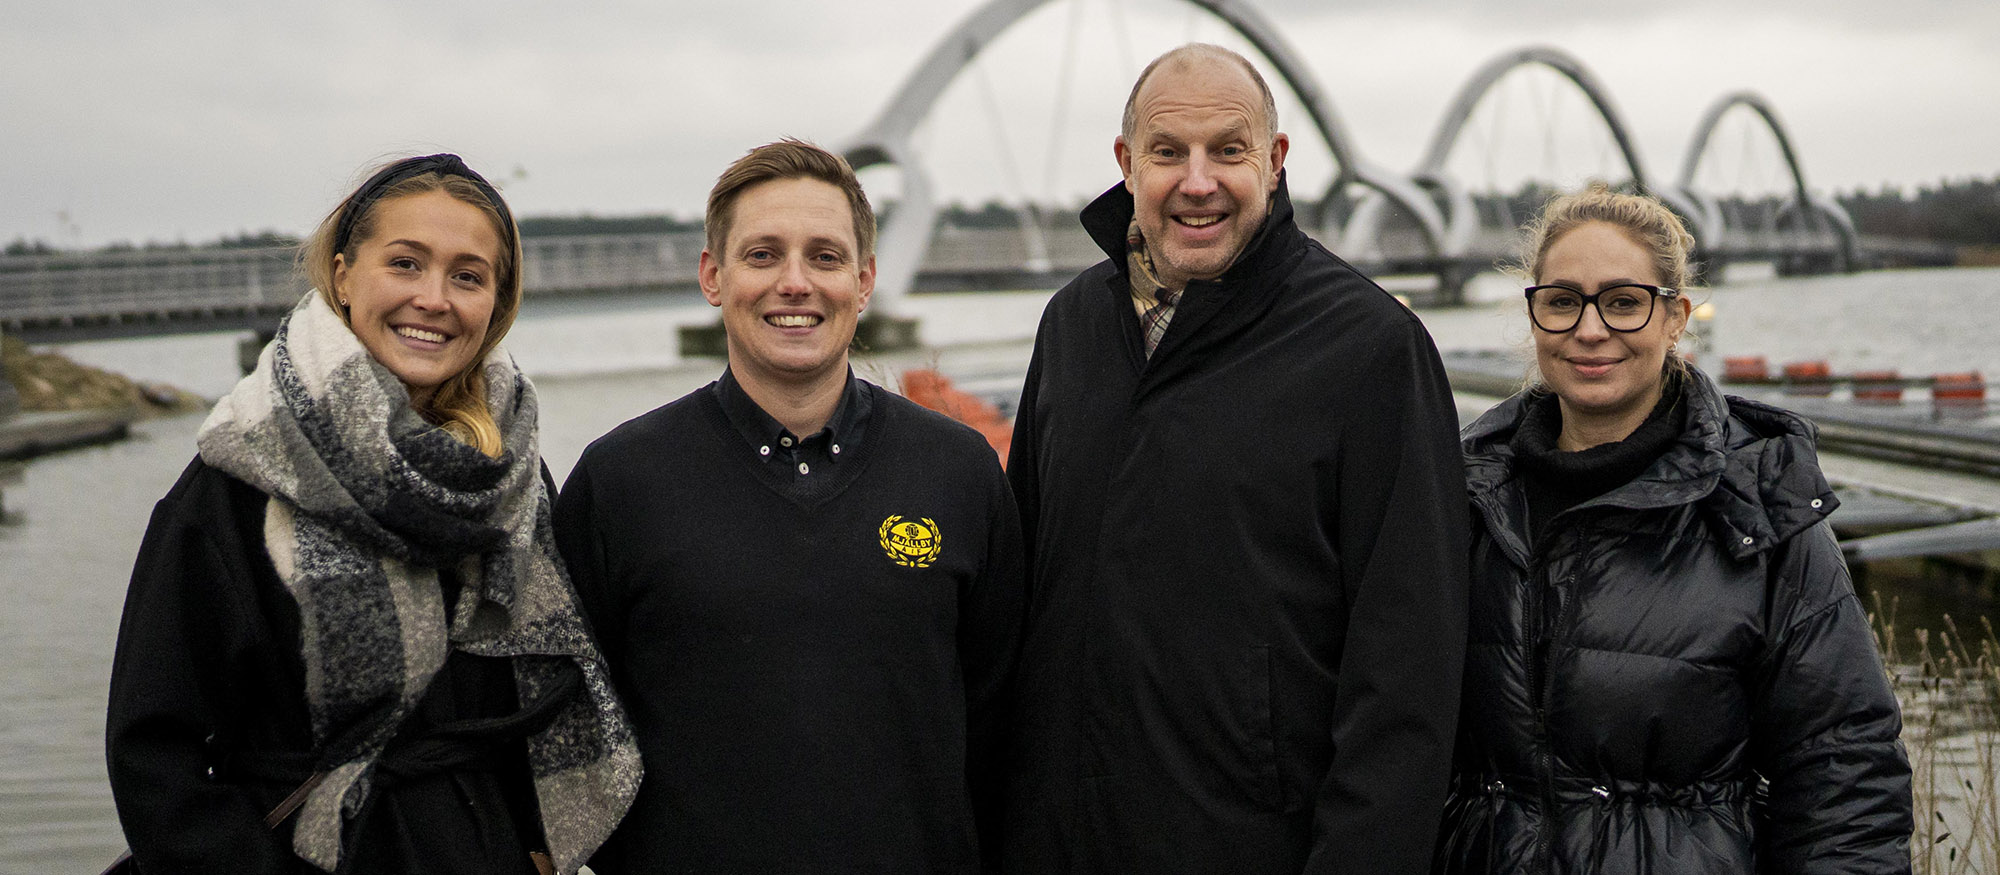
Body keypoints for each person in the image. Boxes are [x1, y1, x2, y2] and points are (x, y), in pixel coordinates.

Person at [105, 154, 641, 875]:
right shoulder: (240, 480)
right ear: (344, 273)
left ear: (496, 302)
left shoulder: (512, 478)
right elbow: (155, 750)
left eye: (467, 275)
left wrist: (536, 847)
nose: (434, 297)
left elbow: (542, 691)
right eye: (406, 263)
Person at [1004, 44, 1470, 874]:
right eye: (1167, 152)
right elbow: (1022, 597)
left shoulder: (1371, 351)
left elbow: (1407, 680)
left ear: (1276, 160)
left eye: (1229, 149)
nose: (1197, 181)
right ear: (1125, 163)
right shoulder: (1072, 325)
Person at [553, 139, 1026, 873]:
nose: (795, 283)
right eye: (764, 254)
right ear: (714, 275)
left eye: (826, 257)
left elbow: (1002, 723)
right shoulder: (619, 481)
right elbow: (572, 733)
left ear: (865, 280)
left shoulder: (958, 471)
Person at [1436, 183, 1914, 873]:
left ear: (1675, 318)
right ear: (1534, 313)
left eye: (1624, 302)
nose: (1590, 329)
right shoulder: (1461, 496)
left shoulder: (1758, 506)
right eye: (1563, 301)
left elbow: (1845, 770)